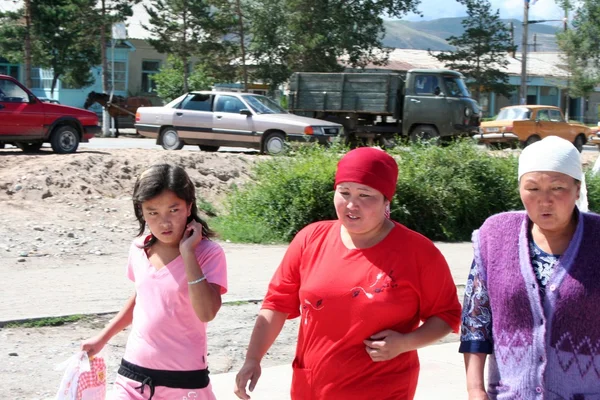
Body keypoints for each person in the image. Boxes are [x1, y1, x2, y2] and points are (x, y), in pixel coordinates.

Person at [234, 147, 461, 400]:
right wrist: (252, 358)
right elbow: (276, 304)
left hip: (382, 389)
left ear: (387, 200)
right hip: (311, 388)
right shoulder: (310, 239)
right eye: (344, 192)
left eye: (365, 195)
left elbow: (447, 315)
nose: (352, 204)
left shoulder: (418, 252)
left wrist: (405, 343)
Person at [460, 135, 600, 399]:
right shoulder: (496, 235)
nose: (544, 200)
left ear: (578, 188)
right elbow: (475, 319)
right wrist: (475, 389)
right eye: (533, 189)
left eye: (557, 188)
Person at [81, 163, 228, 400]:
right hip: (132, 376)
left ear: (189, 207)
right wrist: (102, 338)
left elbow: (206, 312)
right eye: (153, 212)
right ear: (141, 212)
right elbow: (143, 297)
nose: (164, 222)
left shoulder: (208, 254)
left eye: (174, 210)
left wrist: (188, 254)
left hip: (184, 382)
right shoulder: (139, 248)